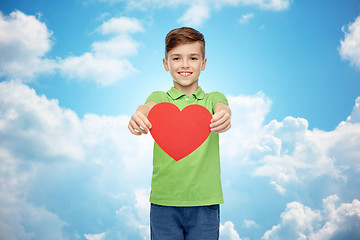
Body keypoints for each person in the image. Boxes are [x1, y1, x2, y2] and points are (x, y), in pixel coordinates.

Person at [128, 27, 231, 240]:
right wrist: (139, 113)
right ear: (166, 64)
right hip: (164, 202)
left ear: (203, 63)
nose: (185, 65)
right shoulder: (159, 98)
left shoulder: (212, 99)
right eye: (176, 58)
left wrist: (224, 113)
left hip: (205, 202)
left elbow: (222, 107)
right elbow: (148, 107)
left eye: (193, 58)